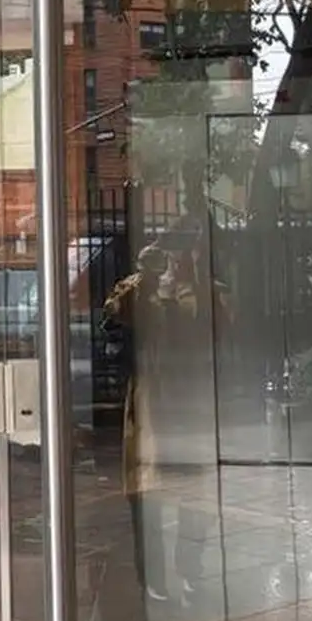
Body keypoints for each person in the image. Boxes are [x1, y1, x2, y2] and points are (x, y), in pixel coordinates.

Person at [104, 242, 211, 602]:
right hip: (152, 406)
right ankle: (153, 575)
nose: (174, 262)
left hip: (188, 405)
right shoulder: (142, 294)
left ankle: (190, 568)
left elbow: (220, 322)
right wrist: (142, 279)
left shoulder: (203, 294)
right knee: (147, 494)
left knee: (192, 496)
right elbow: (114, 310)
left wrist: (190, 285)